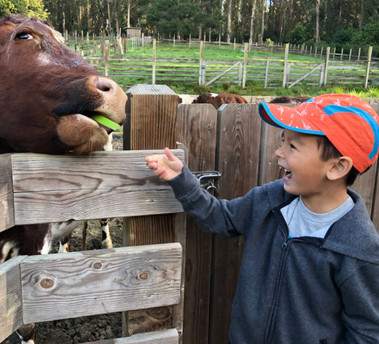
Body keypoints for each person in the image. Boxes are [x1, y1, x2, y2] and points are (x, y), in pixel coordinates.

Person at [146, 94, 379, 343]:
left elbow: (367, 331)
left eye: (293, 146)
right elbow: (220, 218)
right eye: (282, 141)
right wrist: (182, 179)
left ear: (337, 167)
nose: (278, 152)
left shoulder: (359, 247)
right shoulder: (270, 199)